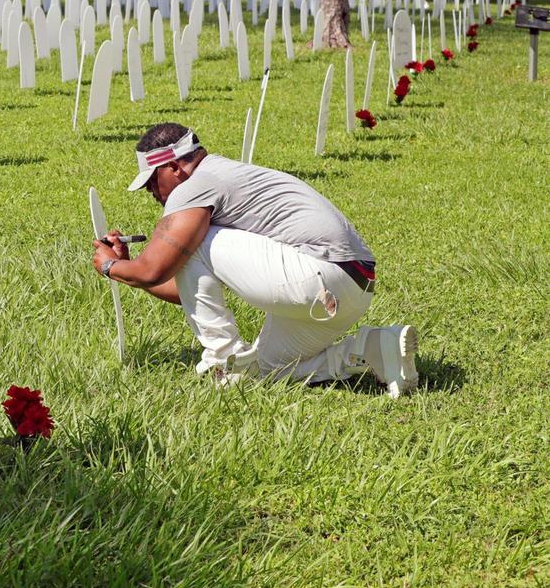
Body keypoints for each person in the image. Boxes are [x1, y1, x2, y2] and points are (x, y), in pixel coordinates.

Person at [90, 122, 418, 397]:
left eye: (152, 182)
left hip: (318, 274)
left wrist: (109, 265)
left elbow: (154, 269)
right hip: (354, 287)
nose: (153, 193)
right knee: (267, 371)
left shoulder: (197, 186)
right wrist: (127, 269)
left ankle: (224, 360)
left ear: (174, 168)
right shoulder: (224, 174)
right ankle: (373, 348)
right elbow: (187, 289)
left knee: (196, 242)